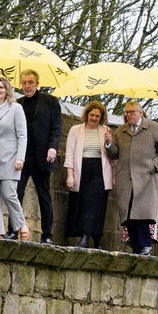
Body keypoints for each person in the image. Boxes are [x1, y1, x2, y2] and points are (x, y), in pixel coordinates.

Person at [105, 100, 158, 255]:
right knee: (128, 215)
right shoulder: (121, 131)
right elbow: (115, 153)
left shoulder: (153, 127)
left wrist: (154, 166)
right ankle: (137, 247)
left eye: (132, 111)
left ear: (141, 113)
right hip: (126, 178)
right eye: (127, 112)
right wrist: (108, 143)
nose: (129, 115)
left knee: (140, 214)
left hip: (146, 178)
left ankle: (145, 245)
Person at [15, 70, 62, 243]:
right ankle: (13, 230)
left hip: (42, 156)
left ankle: (47, 235)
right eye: (24, 83)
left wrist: (53, 148)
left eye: (30, 82)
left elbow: (57, 129)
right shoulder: (17, 104)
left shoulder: (50, 102)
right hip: (22, 156)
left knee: (44, 196)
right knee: (16, 194)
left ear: (37, 83)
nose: (27, 86)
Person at [0, 77, 29, 240]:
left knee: (9, 193)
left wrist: (20, 158)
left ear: (7, 90)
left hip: (10, 157)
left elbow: (22, 135)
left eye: (1, 87)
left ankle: (21, 224)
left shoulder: (16, 108)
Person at [64, 100, 113, 249]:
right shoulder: (75, 130)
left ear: (101, 117)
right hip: (82, 169)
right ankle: (88, 236)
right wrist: (70, 175)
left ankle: (90, 237)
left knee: (96, 205)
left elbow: (113, 155)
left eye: (97, 116)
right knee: (84, 204)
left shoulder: (105, 130)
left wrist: (109, 142)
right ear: (87, 115)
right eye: (92, 115)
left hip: (99, 171)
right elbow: (70, 154)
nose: (94, 118)